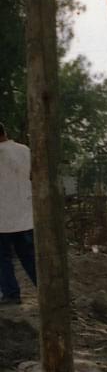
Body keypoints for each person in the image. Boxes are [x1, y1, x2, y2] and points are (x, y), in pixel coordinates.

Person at [0, 122, 36, 306]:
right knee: (29, 257)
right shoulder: (24, 150)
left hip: (2, 219)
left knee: (3, 259)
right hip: (25, 216)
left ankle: (11, 294)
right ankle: (44, 289)